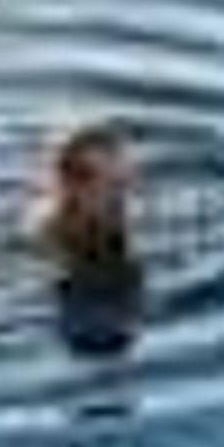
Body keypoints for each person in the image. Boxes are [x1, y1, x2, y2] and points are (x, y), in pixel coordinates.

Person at [33, 123, 144, 357]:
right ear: (71, 188)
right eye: (110, 186)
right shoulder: (43, 248)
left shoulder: (128, 227)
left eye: (124, 183)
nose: (121, 197)